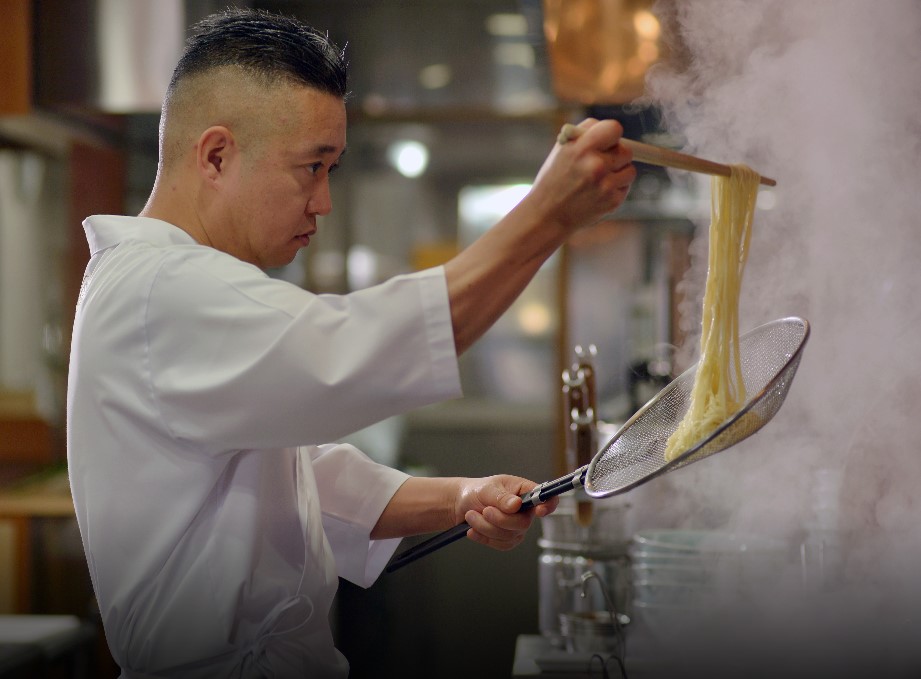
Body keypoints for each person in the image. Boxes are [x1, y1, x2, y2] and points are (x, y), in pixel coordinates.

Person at [66, 8, 636, 679]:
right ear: (216, 155)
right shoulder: (160, 288)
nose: (323, 202)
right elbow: (354, 351)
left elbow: (301, 478)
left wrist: (461, 496)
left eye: (331, 169)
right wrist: (546, 215)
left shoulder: (171, 285)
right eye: (311, 167)